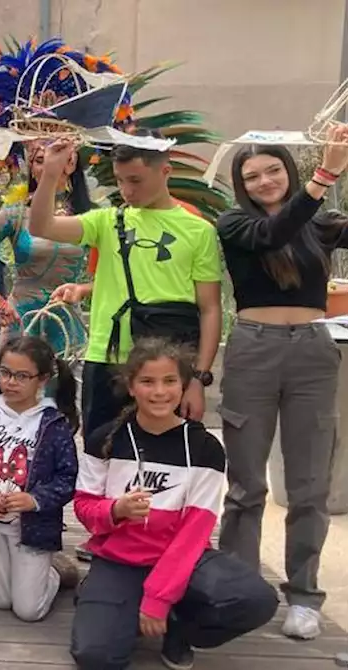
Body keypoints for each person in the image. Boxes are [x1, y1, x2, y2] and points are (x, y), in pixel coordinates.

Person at [214, 130, 349, 640]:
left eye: (273, 170)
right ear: (241, 185)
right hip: (253, 348)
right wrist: (325, 176)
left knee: (310, 486)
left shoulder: (321, 223)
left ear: (288, 171)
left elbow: (303, 219)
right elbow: (271, 235)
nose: (264, 181)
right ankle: (241, 590)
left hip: (313, 352)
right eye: (252, 176)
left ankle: (305, 597)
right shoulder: (234, 223)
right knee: (247, 483)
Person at [71, 338, 278, 670]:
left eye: (169, 381)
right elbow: (84, 508)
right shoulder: (105, 440)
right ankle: (107, 599)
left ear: (183, 385)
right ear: (131, 386)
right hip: (120, 559)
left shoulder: (204, 448)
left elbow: (196, 531)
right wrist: (116, 510)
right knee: (96, 656)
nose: (159, 392)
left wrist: (159, 597)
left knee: (256, 600)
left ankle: (179, 629)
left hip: (182, 556)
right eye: (147, 382)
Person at [27, 138, 223, 439]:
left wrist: (198, 379)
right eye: (120, 180)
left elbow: (210, 308)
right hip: (107, 358)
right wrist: (52, 173)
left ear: (165, 171)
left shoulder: (199, 230)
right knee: (100, 453)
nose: (127, 190)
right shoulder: (107, 221)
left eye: (136, 180)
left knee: (168, 458)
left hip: (167, 368)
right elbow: (41, 227)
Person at [0, 335, 80, 622]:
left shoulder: (53, 424)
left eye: (22, 376)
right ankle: (30, 575)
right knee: (0, 600)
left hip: (34, 527)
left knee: (28, 610)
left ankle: (55, 572)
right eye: (5, 372)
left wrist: (34, 499)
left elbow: (68, 479)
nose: (11, 382)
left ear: (43, 379)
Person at [0, 141, 93, 355]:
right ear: (30, 166)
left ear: (71, 163)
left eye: (57, 158)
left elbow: (113, 273)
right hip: (21, 324)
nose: (48, 166)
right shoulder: (15, 214)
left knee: (62, 388)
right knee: (17, 385)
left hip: (68, 328)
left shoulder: (89, 216)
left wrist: (84, 290)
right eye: (40, 161)